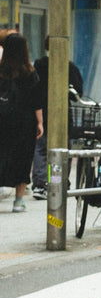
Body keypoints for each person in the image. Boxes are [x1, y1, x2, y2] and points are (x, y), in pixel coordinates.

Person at [32, 36, 84, 199]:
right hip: (62, 113)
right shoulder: (69, 67)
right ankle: (58, 181)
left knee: (41, 149)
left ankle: (40, 184)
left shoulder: (39, 65)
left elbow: (34, 88)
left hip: (41, 110)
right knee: (62, 148)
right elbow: (78, 93)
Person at [0, 33, 44, 212]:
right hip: (24, 122)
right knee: (23, 158)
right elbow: (36, 100)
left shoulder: (1, 71)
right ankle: (18, 201)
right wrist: (40, 123)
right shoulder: (30, 73)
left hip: (3, 120)